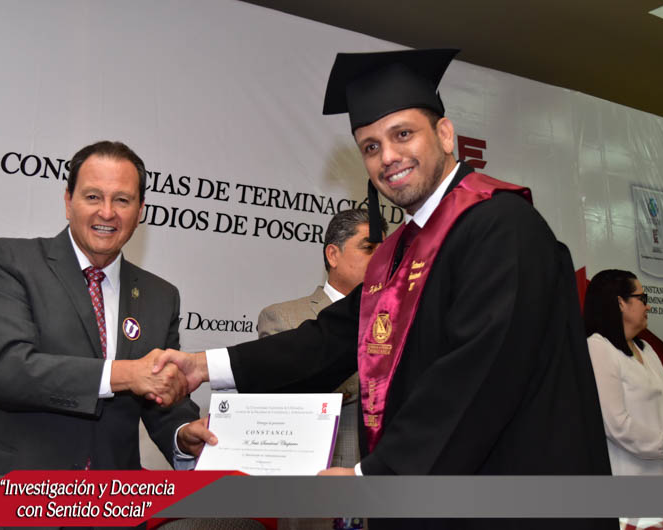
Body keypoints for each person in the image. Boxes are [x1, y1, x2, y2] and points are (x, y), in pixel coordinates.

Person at [152, 49, 614, 530]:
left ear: (446, 134)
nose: (387, 156)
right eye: (370, 146)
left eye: (403, 134)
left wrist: (372, 478)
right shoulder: (400, 253)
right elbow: (328, 342)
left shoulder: (502, 227)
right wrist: (203, 366)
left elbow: (478, 378)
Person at [0, 141, 212, 474]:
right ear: (69, 202)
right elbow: (4, 369)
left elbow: (162, 396)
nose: (107, 212)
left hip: (109, 495)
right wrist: (126, 374)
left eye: (122, 200)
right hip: (7, 484)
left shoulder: (161, 296)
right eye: (93, 196)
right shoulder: (14, 262)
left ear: (140, 211)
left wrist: (182, 435)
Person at [258, 208, 386, 530]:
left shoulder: (397, 321)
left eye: (384, 251)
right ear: (333, 254)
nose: (380, 260)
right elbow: (284, 400)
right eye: (368, 248)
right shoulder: (284, 318)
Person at [584, 269, 663, 475]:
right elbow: (616, 425)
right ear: (621, 303)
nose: (648, 306)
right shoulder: (598, 347)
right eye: (642, 299)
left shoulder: (646, 349)